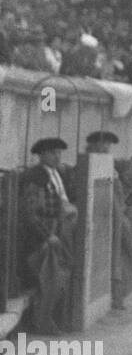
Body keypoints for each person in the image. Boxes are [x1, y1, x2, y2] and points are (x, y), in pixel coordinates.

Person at [19, 138, 78, 333]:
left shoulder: (57, 173)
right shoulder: (35, 177)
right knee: (52, 277)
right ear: (42, 155)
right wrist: (46, 236)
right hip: (42, 238)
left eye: (59, 152)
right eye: (53, 152)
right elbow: (30, 213)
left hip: (59, 231)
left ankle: (53, 320)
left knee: (60, 275)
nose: (57, 156)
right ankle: (43, 322)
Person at [86, 131, 132, 311]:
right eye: (103, 144)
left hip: (117, 218)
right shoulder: (88, 164)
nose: (106, 148)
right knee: (114, 255)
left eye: (108, 145)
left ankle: (118, 295)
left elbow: (129, 190)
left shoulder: (112, 166)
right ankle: (115, 297)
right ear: (93, 145)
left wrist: (124, 206)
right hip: (101, 220)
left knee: (123, 252)